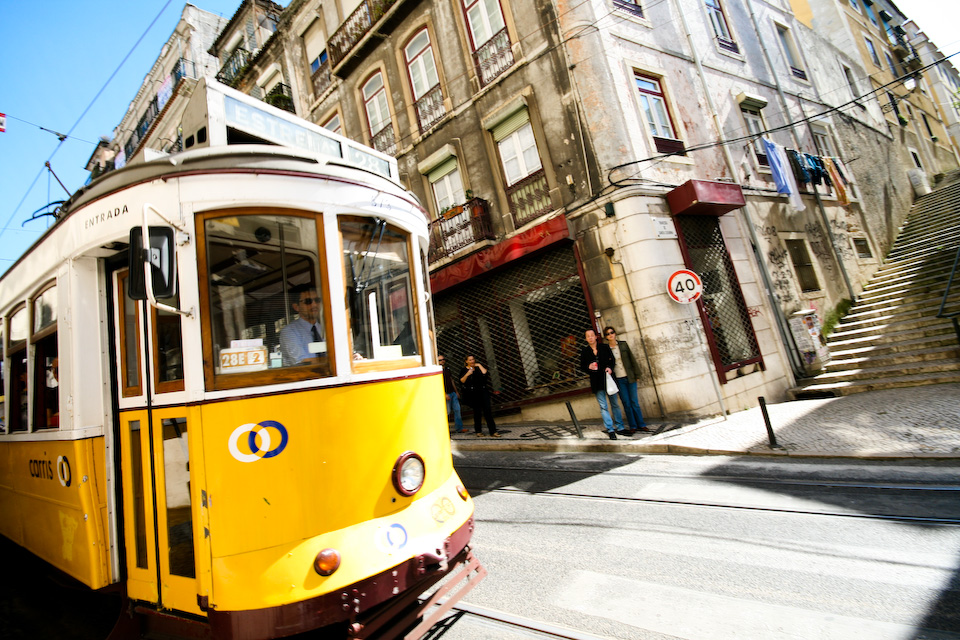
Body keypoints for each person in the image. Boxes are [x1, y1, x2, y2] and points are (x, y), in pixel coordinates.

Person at [579, 328, 626, 439]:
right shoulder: (585, 351)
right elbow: (582, 366)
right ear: (586, 339)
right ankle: (610, 429)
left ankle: (620, 427)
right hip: (596, 381)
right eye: (588, 336)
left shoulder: (604, 347)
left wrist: (609, 368)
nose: (590, 337)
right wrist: (588, 367)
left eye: (592, 335)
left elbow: (612, 361)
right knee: (603, 406)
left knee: (614, 403)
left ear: (596, 336)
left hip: (608, 379)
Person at [603, 326, 651, 433]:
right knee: (626, 403)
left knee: (634, 402)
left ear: (615, 333)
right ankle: (633, 426)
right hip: (619, 379)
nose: (611, 335)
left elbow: (631, 358)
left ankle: (641, 424)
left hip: (629, 376)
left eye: (612, 332)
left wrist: (637, 374)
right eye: (608, 334)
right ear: (606, 337)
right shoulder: (606, 349)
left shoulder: (623, 344)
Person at [279, 284, 325, 366]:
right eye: (308, 301)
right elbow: (304, 362)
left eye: (317, 300)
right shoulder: (289, 332)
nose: (314, 305)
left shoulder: (325, 329)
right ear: (296, 307)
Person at [459, 355, 500, 437]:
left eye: (473, 359)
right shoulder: (464, 370)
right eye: (470, 360)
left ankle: (493, 431)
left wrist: (479, 365)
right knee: (477, 412)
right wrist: (467, 374)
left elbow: (485, 373)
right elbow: (462, 381)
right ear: (466, 361)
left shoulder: (478, 368)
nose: (472, 361)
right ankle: (478, 431)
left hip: (483, 391)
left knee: (487, 411)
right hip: (473, 393)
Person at [439, 355, 467, 434]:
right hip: (446, 393)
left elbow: (451, 380)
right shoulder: (438, 371)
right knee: (446, 412)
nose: (442, 361)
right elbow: (438, 383)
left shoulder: (447, 369)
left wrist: (456, 391)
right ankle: (444, 430)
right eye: (440, 360)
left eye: (443, 359)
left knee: (457, 410)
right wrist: (444, 393)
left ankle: (459, 428)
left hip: (452, 392)